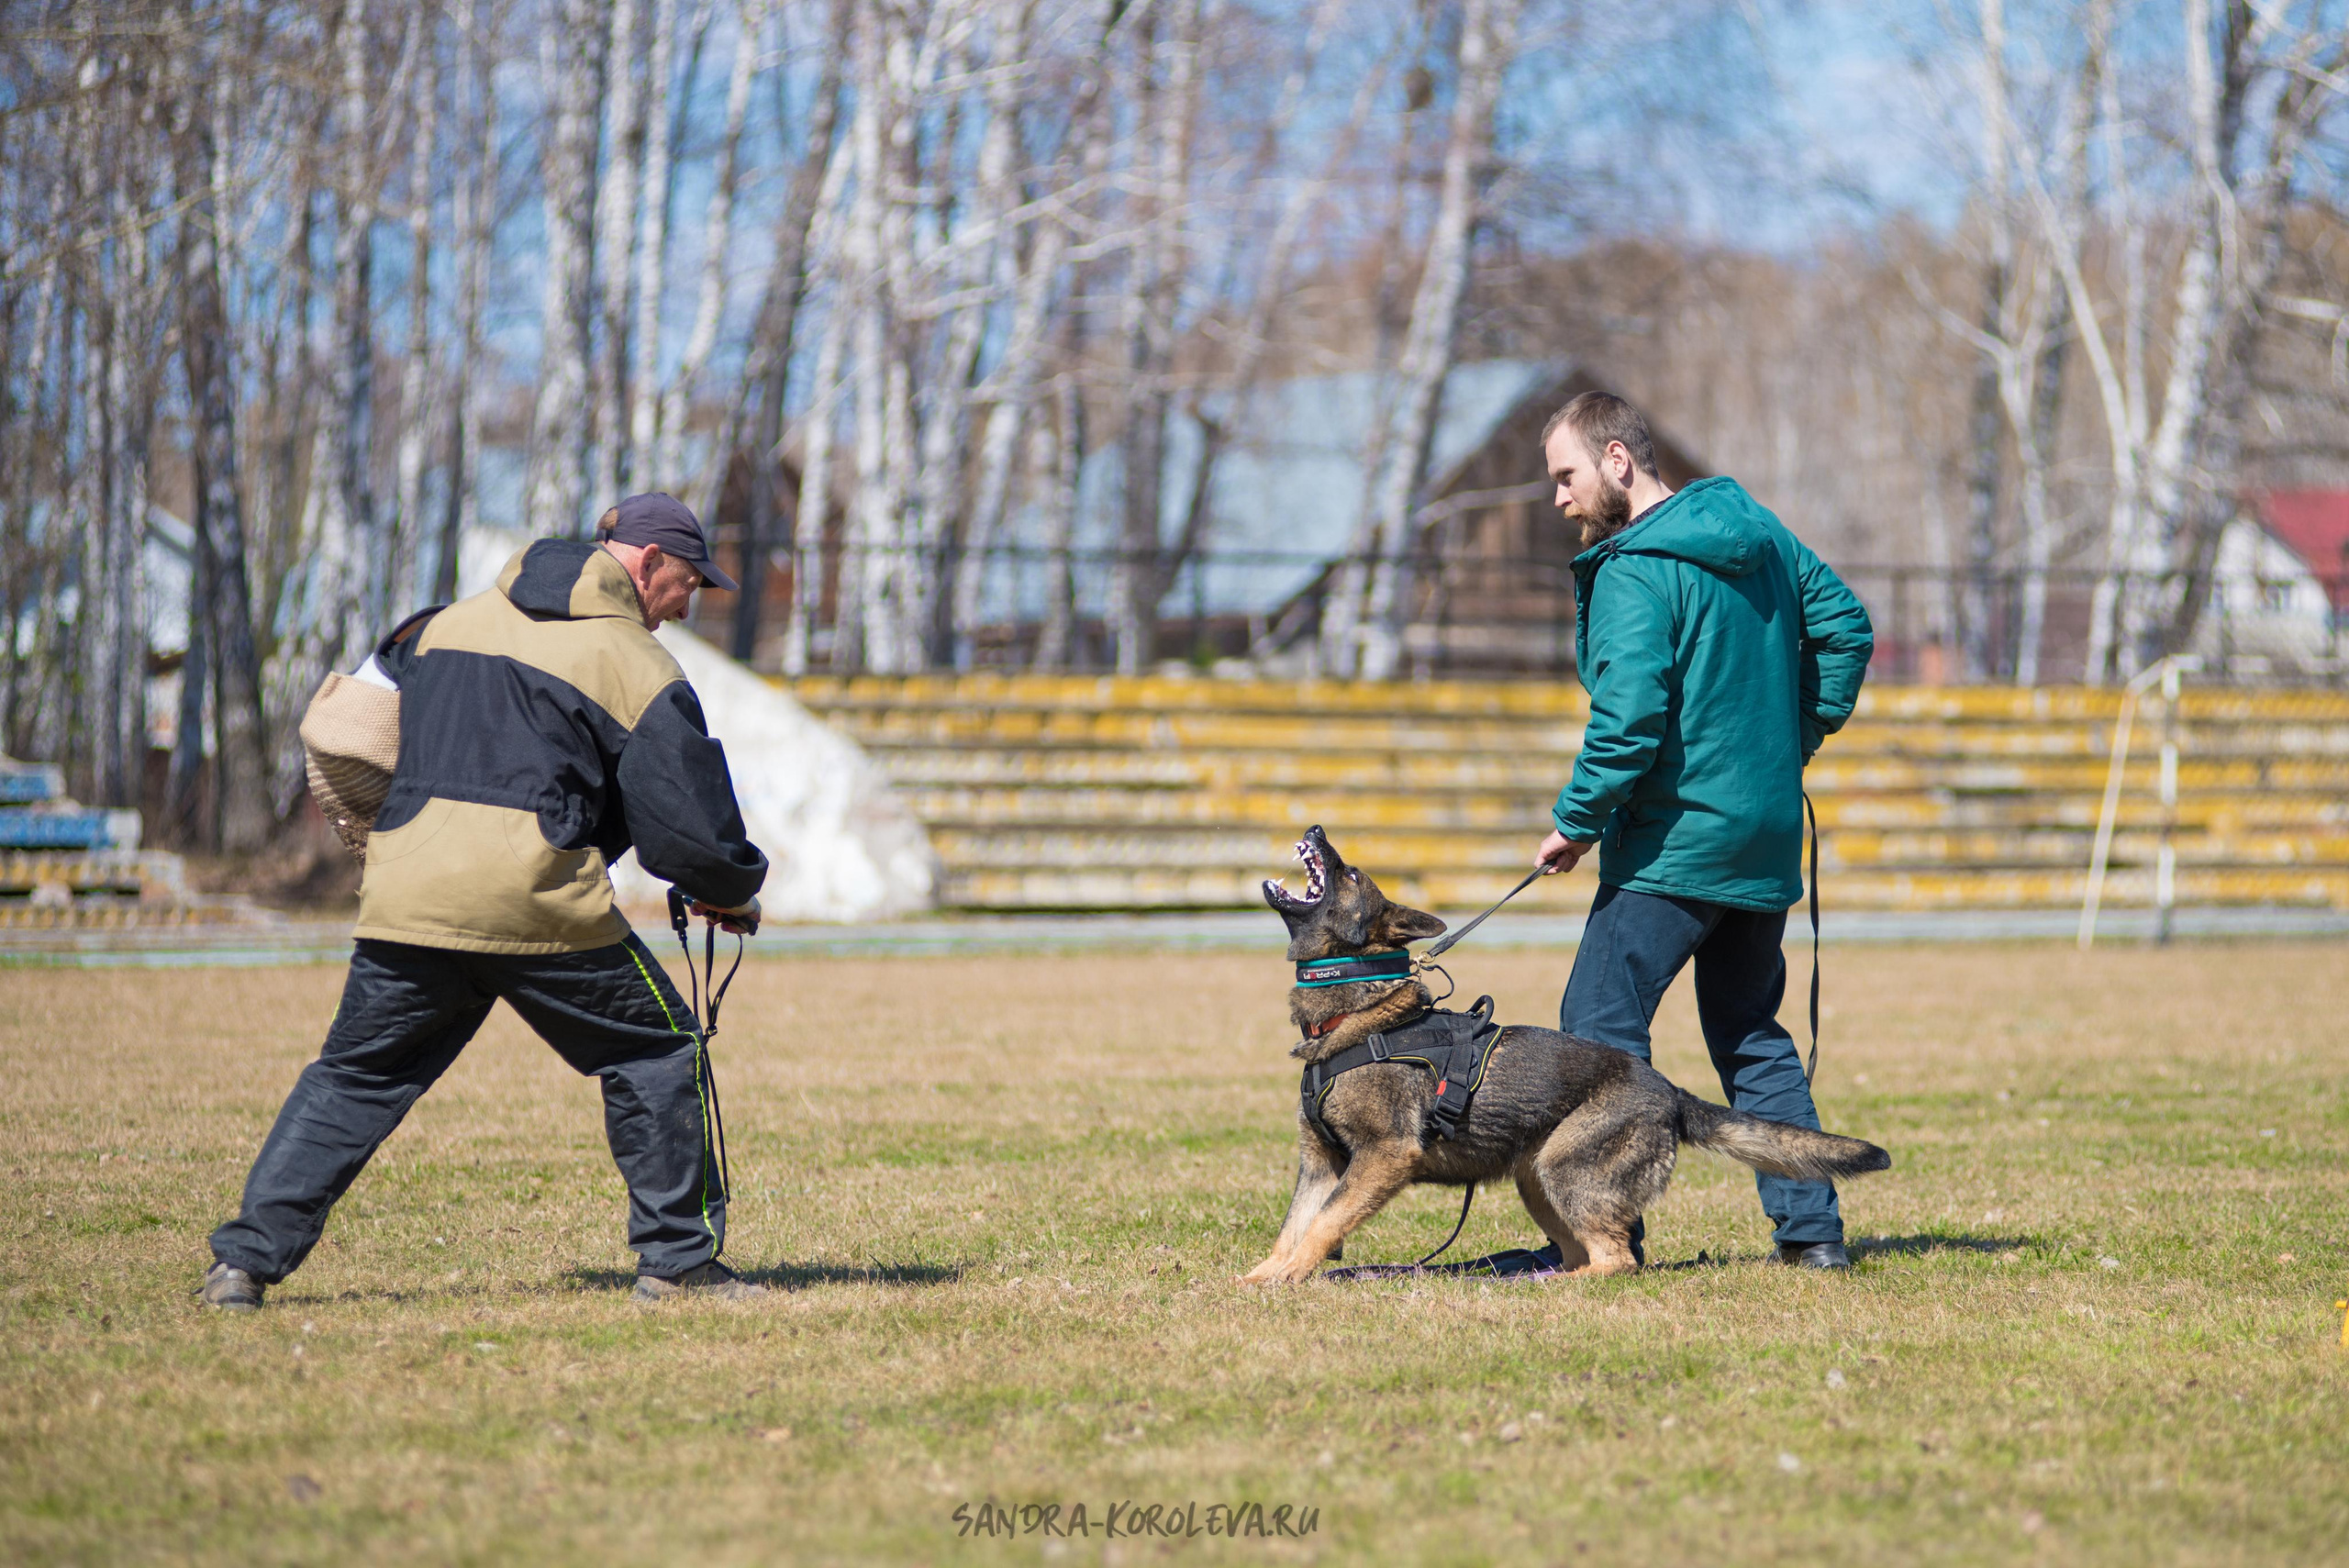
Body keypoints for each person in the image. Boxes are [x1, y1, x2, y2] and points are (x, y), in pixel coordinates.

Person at [201, 494, 771, 1310]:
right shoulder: (634, 663)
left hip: (409, 895)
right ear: (645, 565)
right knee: (656, 1049)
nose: (687, 606)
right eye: (687, 584)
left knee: (356, 1076)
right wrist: (732, 890)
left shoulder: (435, 626)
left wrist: (389, 834)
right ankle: (679, 1263)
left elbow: (340, 730)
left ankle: (242, 1264)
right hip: (535, 901)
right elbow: (683, 831)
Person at [1531, 393, 1875, 1270]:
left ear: (1617, 459)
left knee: (1597, 1035)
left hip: (1677, 844)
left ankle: (1604, 1240)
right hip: (1759, 838)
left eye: (1566, 476)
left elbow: (1630, 714)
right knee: (1752, 1034)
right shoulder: (1756, 531)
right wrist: (1787, 745)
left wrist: (1575, 822)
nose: (1560, 499)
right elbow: (1846, 627)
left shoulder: (1634, 567)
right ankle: (1814, 1240)